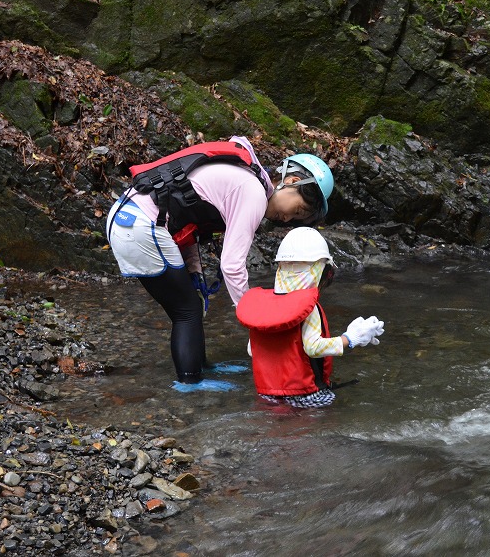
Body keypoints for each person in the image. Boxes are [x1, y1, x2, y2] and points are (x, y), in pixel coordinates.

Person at [106, 136, 334, 386]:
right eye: (298, 210)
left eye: (298, 218)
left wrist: (194, 272)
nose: (289, 219)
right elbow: (232, 266)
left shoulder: (247, 179)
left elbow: (185, 220)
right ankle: (190, 383)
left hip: (131, 218)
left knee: (190, 303)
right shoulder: (253, 192)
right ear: (292, 181)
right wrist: (255, 323)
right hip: (139, 225)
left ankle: (202, 367)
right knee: (187, 310)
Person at [236, 227, 384, 408]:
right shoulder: (308, 308)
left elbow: (253, 351)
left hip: (268, 396)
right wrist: (351, 338)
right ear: (321, 271)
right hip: (306, 395)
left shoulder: (263, 306)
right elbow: (313, 348)